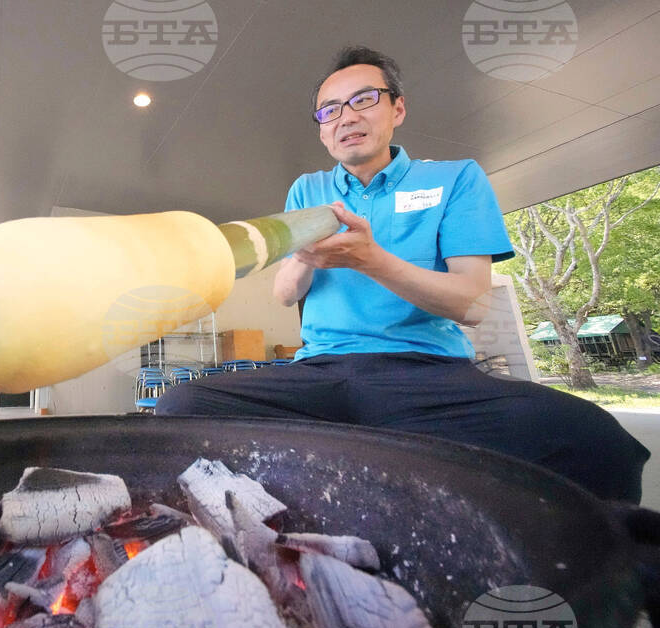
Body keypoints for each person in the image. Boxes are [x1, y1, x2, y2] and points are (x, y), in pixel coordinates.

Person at [157, 46, 650, 503]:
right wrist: (304, 256)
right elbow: (286, 295)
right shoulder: (307, 189)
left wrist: (373, 259)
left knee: (597, 442)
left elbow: (474, 305)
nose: (346, 116)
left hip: (429, 375)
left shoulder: (456, 178)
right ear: (322, 129)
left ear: (397, 109)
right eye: (330, 110)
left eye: (363, 100)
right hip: (323, 372)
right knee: (181, 406)